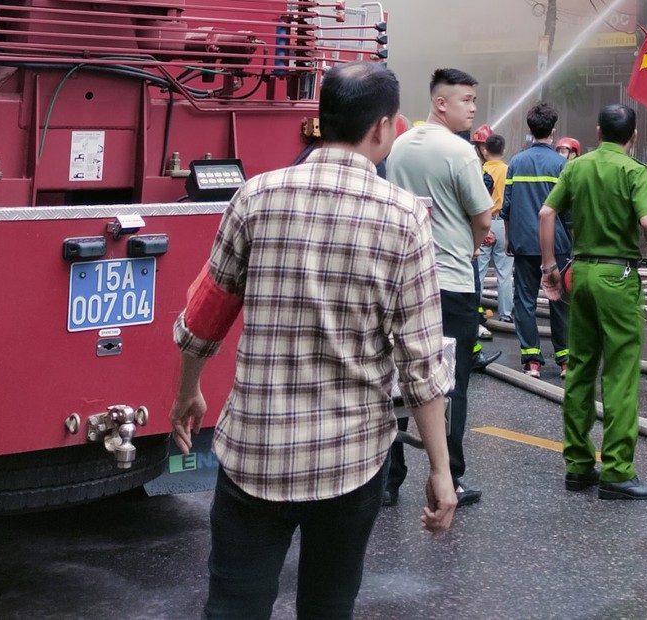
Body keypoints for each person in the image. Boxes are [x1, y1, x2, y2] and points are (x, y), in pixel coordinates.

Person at [169, 61, 456, 620]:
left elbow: (206, 313)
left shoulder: (256, 196)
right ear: (381, 128)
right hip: (350, 460)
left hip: (255, 452)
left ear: (322, 121)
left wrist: (188, 392)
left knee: (233, 604)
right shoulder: (403, 218)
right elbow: (420, 362)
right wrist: (440, 471)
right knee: (328, 604)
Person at [539, 103, 647, 500]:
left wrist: (550, 268)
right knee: (620, 375)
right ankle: (616, 472)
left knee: (579, 369)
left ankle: (577, 466)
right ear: (634, 137)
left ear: (596, 133)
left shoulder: (576, 167)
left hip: (582, 273)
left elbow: (546, 213)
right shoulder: (634, 171)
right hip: (618, 277)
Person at [382, 68, 495, 507]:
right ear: (441, 103)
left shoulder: (398, 144)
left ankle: (387, 480)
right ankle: (450, 478)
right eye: (466, 99)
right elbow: (483, 218)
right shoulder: (461, 152)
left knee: (394, 379)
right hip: (449, 283)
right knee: (450, 383)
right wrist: (466, 250)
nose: (473, 107)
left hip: (400, 278)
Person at [502, 103, 573, 379]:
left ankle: (531, 360)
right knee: (561, 300)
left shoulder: (516, 163)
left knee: (525, 301)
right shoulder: (562, 164)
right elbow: (568, 209)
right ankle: (565, 359)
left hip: (524, 243)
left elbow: (506, 207)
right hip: (557, 245)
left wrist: (509, 238)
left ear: (530, 131)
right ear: (553, 132)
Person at [472, 128, 514, 337]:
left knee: (478, 270)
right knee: (504, 272)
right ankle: (506, 314)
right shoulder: (509, 170)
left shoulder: (479, 169)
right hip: (502, 222)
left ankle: (476, 312)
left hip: (483, 222)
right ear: (504, 150)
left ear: (485, 150)